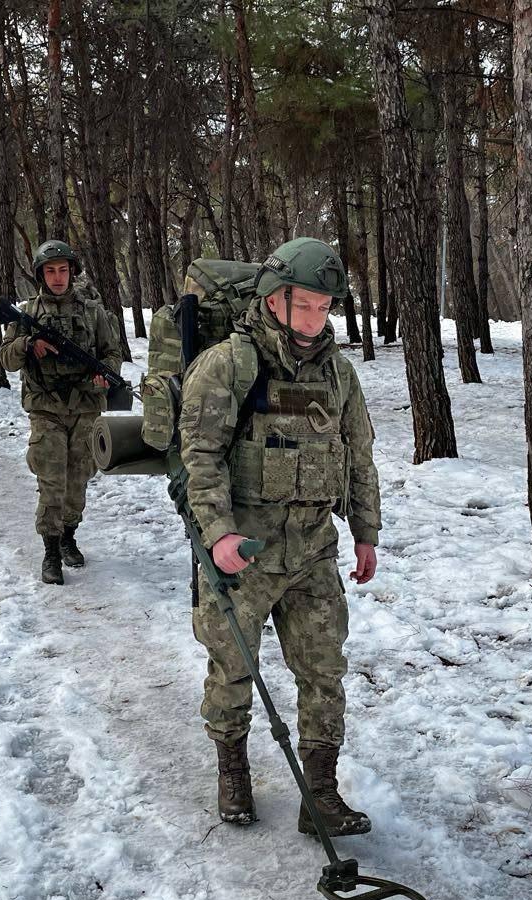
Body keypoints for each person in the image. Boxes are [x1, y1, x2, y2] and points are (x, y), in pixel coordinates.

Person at [178, 238, 381, 835]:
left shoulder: (339, 374)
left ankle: (319, 794)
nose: (315, 320)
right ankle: (232, 769)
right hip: (245, 553)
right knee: (233, 667)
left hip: (314, 550)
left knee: (324, 670)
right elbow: (202, 457)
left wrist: (365, 530)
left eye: (324, 308)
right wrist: (218, 535)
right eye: (305, 307)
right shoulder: (229, 365)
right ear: (273, 300)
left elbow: (359, 456)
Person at [0, 240, 123, 585]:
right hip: (46, 408)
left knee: (79, 478)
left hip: (84, 406)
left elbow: (112, 353)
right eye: (50, 271)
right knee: (51, 478)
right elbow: (6, 360)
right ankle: (51, 550)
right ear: (41, 274)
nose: (57, 277)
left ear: (72, 272)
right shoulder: (27, 314)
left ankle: (69, 535)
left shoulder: (93, 312)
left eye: (63, 270)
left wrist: (103, 376)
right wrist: (28, 344)